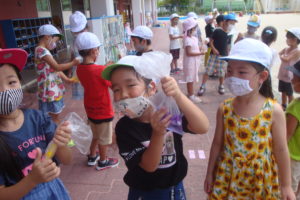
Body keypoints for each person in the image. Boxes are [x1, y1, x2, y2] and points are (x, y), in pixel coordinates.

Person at [101, 52, 209, 200]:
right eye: (116, 90)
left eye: (130, 85)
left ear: (151, 87)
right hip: (144, 192)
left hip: (174, 187)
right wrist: (158, 134)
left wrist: (178, 95)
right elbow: (149, 166)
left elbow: (202, 127)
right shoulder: (124, 128)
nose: (123, 94)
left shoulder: (167, 114)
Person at [204, 39, 295, 200]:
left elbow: (281, 149)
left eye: (242, 72)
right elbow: (217, 144)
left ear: (262, 76)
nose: (233, 77)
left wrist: (286, 185)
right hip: (227, 176)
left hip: (261, 180)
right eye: (230, 70)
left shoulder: (273, 110)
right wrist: (209, 173)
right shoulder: (224, 108)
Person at [0, 48, 73, 199]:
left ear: (20, 83)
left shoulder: (39, 118)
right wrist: (32, 180)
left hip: (53, 190)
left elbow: (67, 159)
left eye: (11, 82)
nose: (4, 91)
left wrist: (62, 142)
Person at [75, 32, 119, 170]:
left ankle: (92, 156)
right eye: (98, 49)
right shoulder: (100, 70)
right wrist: (110, 69)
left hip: (90, 109)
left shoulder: (80, 68)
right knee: (104, 138)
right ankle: (103, 161)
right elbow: (111, 84)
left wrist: (105, 68)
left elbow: (93, 74)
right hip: (103, 110)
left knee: (95, 134)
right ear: (94, 51)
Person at [35, 24, 80, 123]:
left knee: (54, 115)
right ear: (48, 36)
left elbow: (54, 70)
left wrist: (67, 79)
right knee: (54, 116)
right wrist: (73, 63)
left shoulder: (44, 50)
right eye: (55, 40)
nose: (55, 44)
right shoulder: (41, 50)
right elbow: (57, 67)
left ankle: (54, 130)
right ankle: (56, 132)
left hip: (51, 87)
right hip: (49, 88)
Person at [198, 14, 237, 96]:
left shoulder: (230, 33)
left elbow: (228, 45)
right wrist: (214, 49)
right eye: (231, 22)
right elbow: (211, 41)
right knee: (208, 70)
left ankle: (221, 85)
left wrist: (228, 54)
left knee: (221, 72)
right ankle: (202, 86)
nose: (232, 25)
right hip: (214, 55)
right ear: (224, 22)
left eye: (233, 23)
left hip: (223, 56)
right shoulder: (217, 31)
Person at [182, 17, 205, 103]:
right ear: (190, 29)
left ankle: (190, 93)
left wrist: (201, 47)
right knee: (190, 79)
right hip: (190, 62)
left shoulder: (194, 38)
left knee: (192, 78)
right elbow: (189, 53)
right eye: (195, 28)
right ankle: (191, 95)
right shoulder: (187, 39)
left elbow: (196, 48)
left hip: (195, 62)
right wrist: (200, 53)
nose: (196, 29)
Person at [286, 60, 300, 199]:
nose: (292, 79)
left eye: (296, 77)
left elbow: (287, 135)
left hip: (292, 157)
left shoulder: (295, 107)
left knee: (289, 187)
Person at [278, 27, 300, 110]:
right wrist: (282, 55)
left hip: (290, 75)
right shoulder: (286, 49)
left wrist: (282, 56)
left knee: (289, 92)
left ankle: (291, 106)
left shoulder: (297, 51)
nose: (286, 40)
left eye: (288, 38)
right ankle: (283, 105)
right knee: (282, 91)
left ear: (295, 39)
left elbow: (286, 59)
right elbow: (280, 53)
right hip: (282, 73)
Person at [69, 11, 88, 101]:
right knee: (86, 94)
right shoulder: (74, 40)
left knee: (88, 93)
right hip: (80, 70)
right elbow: (72, 55)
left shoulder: (88, 38)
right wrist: (70, 69)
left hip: (85, 69)